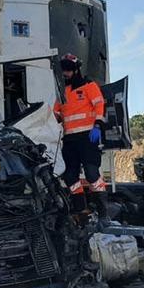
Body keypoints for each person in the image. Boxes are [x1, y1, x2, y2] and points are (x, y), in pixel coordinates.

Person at [52, 54, 108, 221]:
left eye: (68, 70)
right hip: (69, 139)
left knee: (91, 173)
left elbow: (99, 105)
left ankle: (103, 211)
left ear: (76, 70)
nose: (66, 73)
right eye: (64, 70)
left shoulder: (89, 86)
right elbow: (56, 113)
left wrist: (98, 125)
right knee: (70, 176)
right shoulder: (62, 91)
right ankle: (80, 209)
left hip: (88, 136)